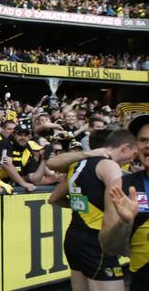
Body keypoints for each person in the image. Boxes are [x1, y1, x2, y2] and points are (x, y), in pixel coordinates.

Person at [48, 130, 138, 291]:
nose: (133, 159)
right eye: (133, 153)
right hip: (97, 241)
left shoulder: (77, 165)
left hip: (74, 238)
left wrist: (81, 207)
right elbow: (111, 212)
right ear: (125, 147)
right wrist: (120, 244)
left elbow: (53, 198)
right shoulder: (110, 166)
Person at [99, 115, 149, 291]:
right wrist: (124, 222)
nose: (148, 145)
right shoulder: (121, 186)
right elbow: (109, 247)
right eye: (143, 140)